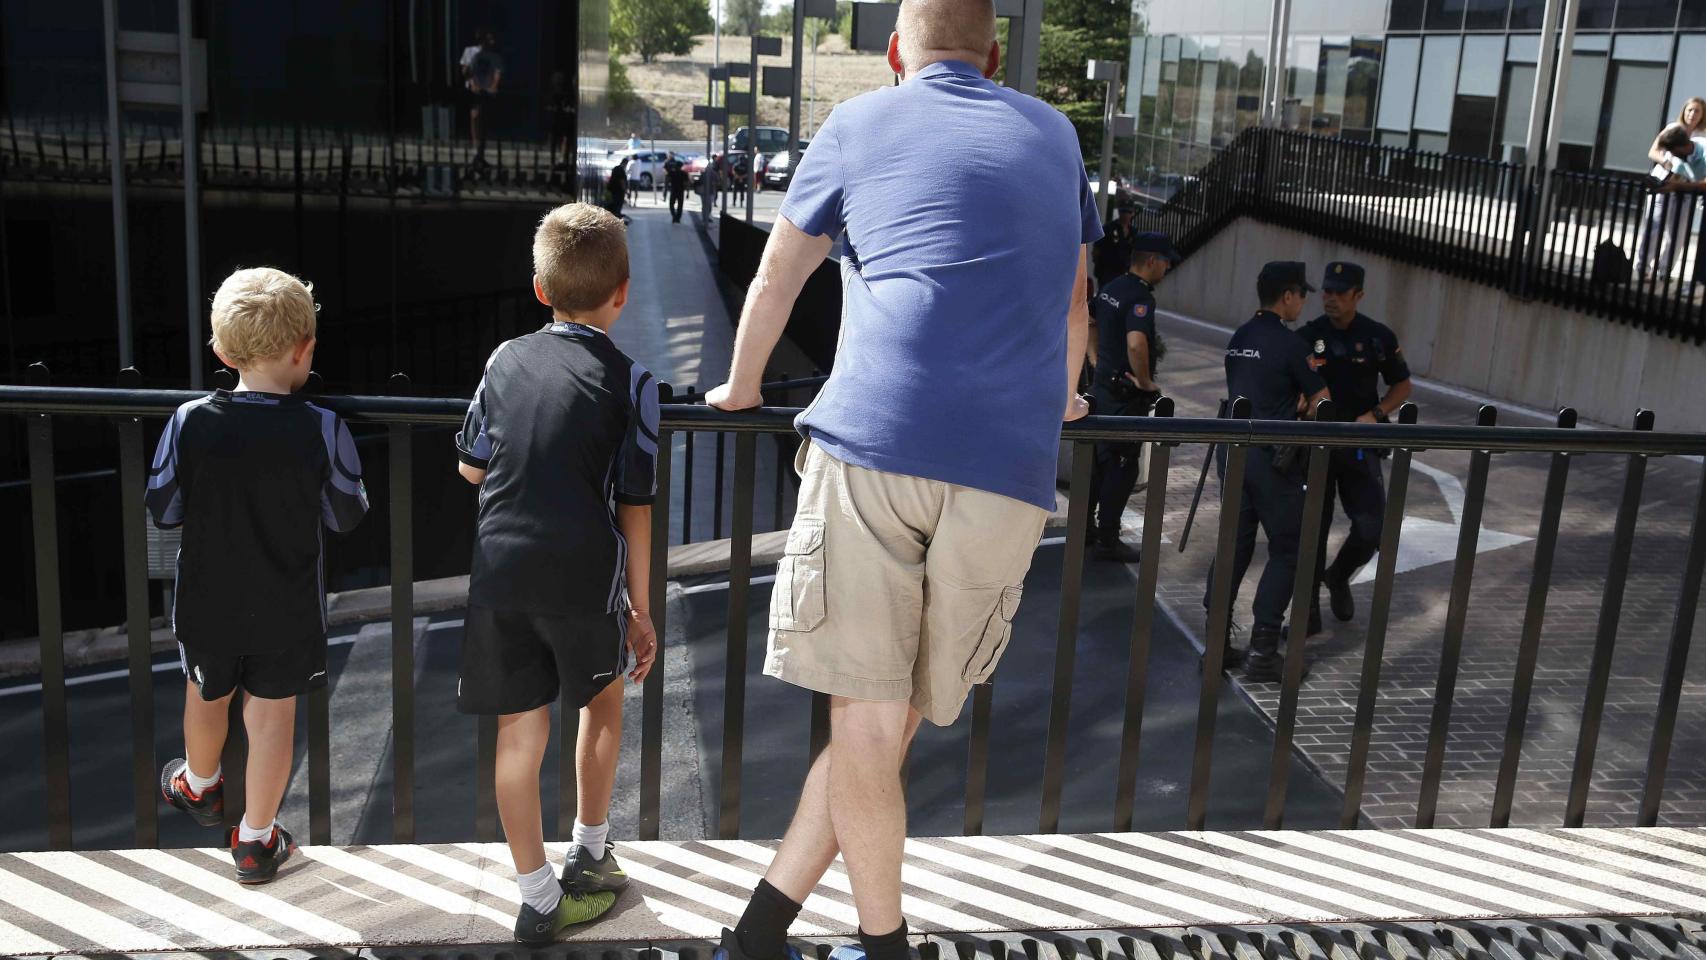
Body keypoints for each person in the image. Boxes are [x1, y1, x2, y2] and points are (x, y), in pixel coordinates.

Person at [703, 2, 1098, 959]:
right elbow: (1075, 301)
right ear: (995, 56)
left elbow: (776, 277)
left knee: (866, 731)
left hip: (876, 449)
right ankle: (758, 935)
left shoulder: (857, 123)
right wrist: (1062, 400)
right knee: (883, 734)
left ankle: (883, 949)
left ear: (893, 53)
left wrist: (742, 387)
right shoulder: (1056, 136)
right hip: (1006, 471)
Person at [453, 202, 659, 944]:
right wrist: (640, 610)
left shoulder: (503, 359)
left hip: (500, 568)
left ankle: (537, 896)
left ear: (540, 290)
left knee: (518, 732)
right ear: (622, 293)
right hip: (583, 573)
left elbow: (472, 466)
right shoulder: (633, 381)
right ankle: (591, 853)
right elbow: (636, 504)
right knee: (601, 704)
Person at [149, 267, 368, 883]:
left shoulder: (190, 419)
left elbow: (163, 506)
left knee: (205, 692)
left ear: (222, 353)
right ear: (305, 349)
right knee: (272, 718)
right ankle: (255, 840)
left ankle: (199, 783)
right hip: (287, 604)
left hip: (206, 600)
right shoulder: (322, 426)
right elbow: (346, 512)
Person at [1200, 261, 1329, 684]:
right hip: (1272, 458)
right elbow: (1321, 400)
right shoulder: (1291, 344)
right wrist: (1301, 408)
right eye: (1302, 295)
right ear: (1287, 296)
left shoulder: (1240, 337)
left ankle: (1215, 647)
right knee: (1290, 548)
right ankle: (1263, 651)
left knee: (1234, 546)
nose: (1303, 303)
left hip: (1233, 452)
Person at [1294, 262, 1411, 634]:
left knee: (1371, 528)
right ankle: (1307, 613)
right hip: (1317, 444)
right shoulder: (1309, 336)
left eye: (1340, 292)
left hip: (1359, 443)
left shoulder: (1377, 337)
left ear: (1358, 295)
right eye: (1327, 291)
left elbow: (1402, 385)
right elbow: (1293, 384)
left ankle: (1339, 575)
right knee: (1312, 529)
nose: (1330, 298)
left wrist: (1376, 414)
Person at [1086, 231, 1177, 563]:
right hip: (1124, 396)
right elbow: (1137, 343)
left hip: (1102, 389)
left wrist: (1096, 361)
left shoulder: (1112, 287)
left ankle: (1086, 528)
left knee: (1097, 463)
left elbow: (1090, 320)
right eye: (1166, 262)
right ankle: (1107, 539)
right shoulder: (1140, 297)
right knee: (1122, 467)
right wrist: (1146, 382)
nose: (1167, 268)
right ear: (1151, 261)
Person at [1641, 121, 1706, 280]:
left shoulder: (1704, 150)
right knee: (1655, 227)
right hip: (1682, 188)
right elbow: (1676, 175)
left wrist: (1676, 186)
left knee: (1677, 233)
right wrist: (1665, 184)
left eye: (1673, 151)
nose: (1671, 154)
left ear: (1683, 147)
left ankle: (1665, 271)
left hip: (1693, 191)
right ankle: (1643, 267)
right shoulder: (1676, 154)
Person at [467, 32, 503, 166]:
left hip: (488, 93)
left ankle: (480, 153)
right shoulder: (476, 56)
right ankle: (476, 151)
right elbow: (470, 73)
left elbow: (497, 73)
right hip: (478, 92)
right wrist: (473, 84)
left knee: (484, 123)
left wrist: (493, 86)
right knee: (475, 117)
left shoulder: (495, 57)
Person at [1092, 200, 1136, 286]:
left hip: (1124, 274)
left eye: (1129, 212)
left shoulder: (1134, 232)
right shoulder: (1108, 228)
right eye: (1123, 211)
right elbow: (1096, 249)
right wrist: (1099, 266)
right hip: (1107, 273)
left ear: (1133, 213)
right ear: (1119, 212)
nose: (1126, 214)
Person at [666, 154, 691, 223]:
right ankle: (678, 218)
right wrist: (688, 192)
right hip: (681, 190)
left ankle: (674, 216)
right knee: (680, 205)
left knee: (671, 204)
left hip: (673, 190)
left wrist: (667, 187)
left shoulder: (672, 172)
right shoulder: (684, 173)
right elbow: (687, 183)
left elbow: (667, 180)